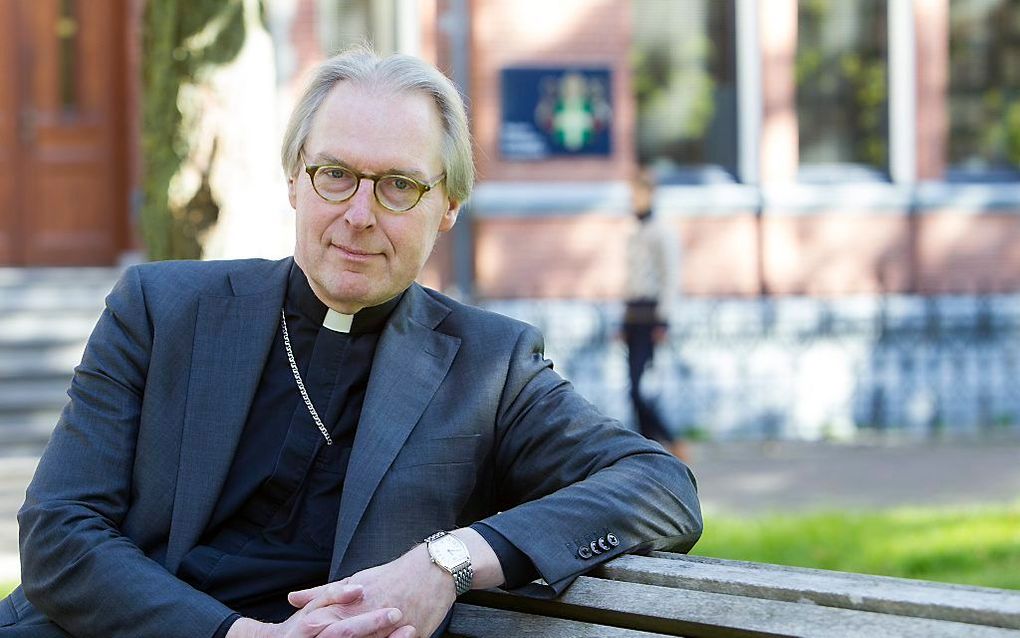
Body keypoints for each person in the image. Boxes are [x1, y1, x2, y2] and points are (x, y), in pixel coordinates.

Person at [0, 49, 702, 638]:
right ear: (294, 184)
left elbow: (659, 487)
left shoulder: (491, 368)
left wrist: (447, 562)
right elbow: (59, 532)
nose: (358, 216)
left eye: (398, 185)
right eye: (335, 175)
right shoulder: (159, 310)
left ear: (447, 207)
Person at [621, 170, 688, 461]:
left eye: (638, 194)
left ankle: (671, 441)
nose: (633, 200)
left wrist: (663, 319)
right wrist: (623, 321)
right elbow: (631, 281)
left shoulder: (662, 232)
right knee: (633, 387)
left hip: (651, 319)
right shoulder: (634, 232)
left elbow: (670, 277)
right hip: (633, 318)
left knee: (642, 388)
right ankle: (646, 448)